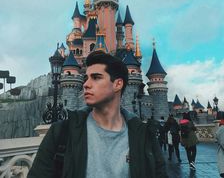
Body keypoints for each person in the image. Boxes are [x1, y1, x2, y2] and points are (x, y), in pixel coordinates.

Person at [27, 50, 168, 178]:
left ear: (118, 84)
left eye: (96, 77)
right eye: (86, 78)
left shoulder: (145, 136)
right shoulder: (61, 133)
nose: (86, 84)